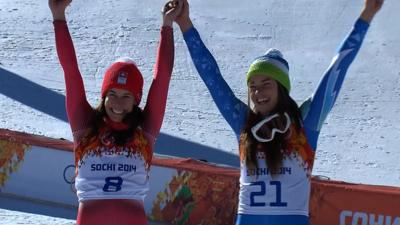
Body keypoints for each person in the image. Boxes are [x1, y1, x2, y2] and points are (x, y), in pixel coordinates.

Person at [174, 0, 384, 224]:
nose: (258, 92)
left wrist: (366, 17)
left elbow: (336, 70)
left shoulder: (305, 124)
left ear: (282, 88)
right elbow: (212, 78)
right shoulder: (244, 123)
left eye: (266, 84)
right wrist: (185, 24)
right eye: (252, 86)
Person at [48, 0, 182, 224]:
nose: (118, 103)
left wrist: (167, 25)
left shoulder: (145, 129)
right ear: (104, 95)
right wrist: (58, 16)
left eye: (126, 96)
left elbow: (163, 79)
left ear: (136, 101)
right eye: (113, 94)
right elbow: (70, 71)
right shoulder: (85, 124)